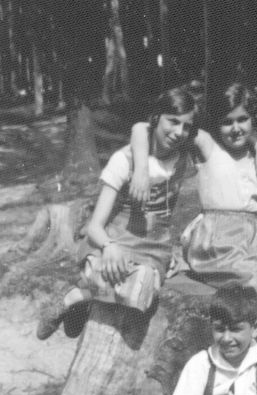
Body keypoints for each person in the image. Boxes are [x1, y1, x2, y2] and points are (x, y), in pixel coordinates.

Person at [129, 82, 257, 367]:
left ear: (253, 119)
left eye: (243, 119)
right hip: (218, 241)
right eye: (227, 122)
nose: (235, 128)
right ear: (215, 124)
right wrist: (141, 171)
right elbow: (141, 128)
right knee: (255, 287)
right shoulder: (207, 144)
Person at [36, 87, 198, 340]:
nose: (179, 133)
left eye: (186, 126)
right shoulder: (125, 160)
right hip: (115, 243)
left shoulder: (181, 161)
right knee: (126, 282)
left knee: (141, 296)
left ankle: (81, 296)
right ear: (156, 119)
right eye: (173, 122)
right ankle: (73, 297)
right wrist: (110, 247)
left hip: (152, 250)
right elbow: (94, 226)